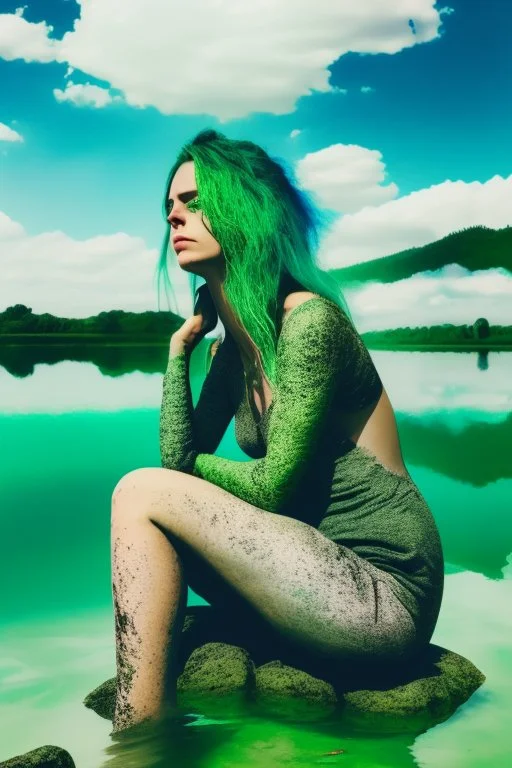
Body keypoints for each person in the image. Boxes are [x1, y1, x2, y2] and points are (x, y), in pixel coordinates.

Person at [110, 129, 444, 733]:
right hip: (309, 576)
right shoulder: (232, 354)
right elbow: (177, 453)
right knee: (149, 497)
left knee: (140, 491)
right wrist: (178, 350)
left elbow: (271, 490)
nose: (176, 219)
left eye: (195, 201)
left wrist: (180, 474)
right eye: (170, 209)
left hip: (381, 594)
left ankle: (139, 733)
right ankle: (148, 724)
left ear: (248, 207)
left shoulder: (310, 322)